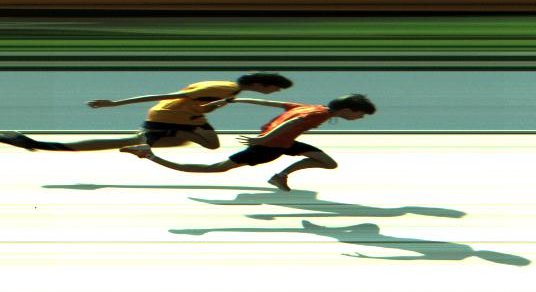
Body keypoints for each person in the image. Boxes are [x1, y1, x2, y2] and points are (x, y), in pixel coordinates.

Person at [119, 94, 377, 192]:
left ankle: (280, 176)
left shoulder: (312, 107)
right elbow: (291, 124)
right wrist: (263, 139)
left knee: (326, 162)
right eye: (360, 114)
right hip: (271, 146)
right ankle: (148, 154)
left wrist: (234, 100)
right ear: (348, 110)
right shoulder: (317, 113)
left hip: (284, 143)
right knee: (215, 168)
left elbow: (269, 103)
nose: (360, 118)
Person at [0, 72, 293, 152]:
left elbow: (199, 101)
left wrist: (213, 107)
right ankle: (32, 142)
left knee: (189, 142)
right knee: (210, 144)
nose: (275, 93)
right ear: (261, 84)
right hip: (172, 117)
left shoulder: (230, 89)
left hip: (182, 118)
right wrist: (115, 103)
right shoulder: (222, 88)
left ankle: (32, 142)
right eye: (274, 89)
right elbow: (171, 96)